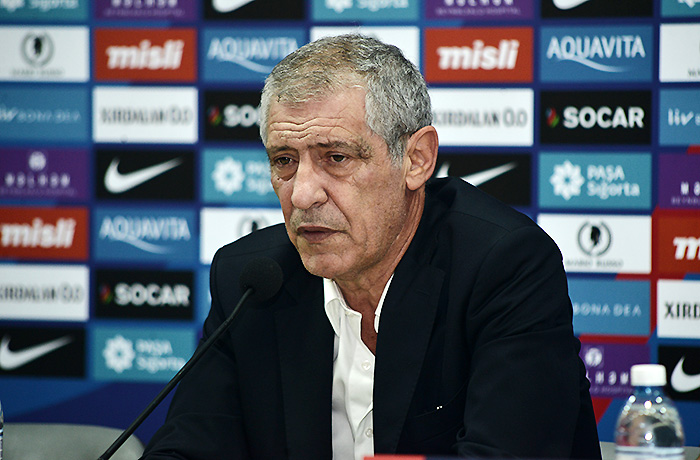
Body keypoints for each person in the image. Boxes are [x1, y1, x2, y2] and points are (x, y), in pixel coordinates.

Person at [141, 34, 601, 460]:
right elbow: (188, 446)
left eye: (336, 157)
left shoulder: (504, 265)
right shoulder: (249, 280)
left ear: (416, 160)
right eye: (284, 160)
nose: (302, 194)